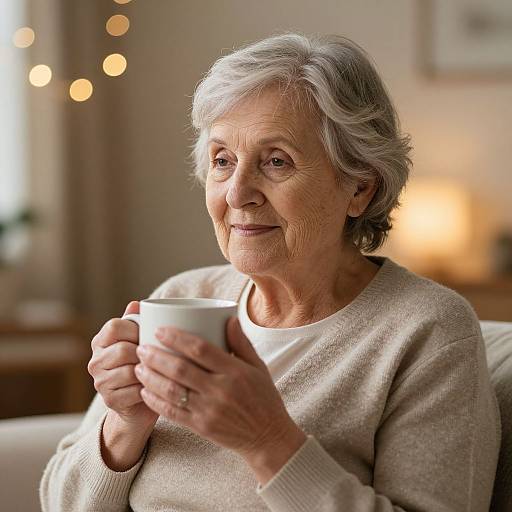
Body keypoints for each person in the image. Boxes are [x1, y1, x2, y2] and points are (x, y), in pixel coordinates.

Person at [40, 32, 501, 511]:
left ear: (359, 188)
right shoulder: (184, 295)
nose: (237, 193)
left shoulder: (426, 332)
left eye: (276, 161)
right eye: (222, 161)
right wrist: (123, 424)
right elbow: (61, 503)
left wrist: (267, 442)